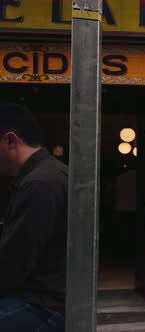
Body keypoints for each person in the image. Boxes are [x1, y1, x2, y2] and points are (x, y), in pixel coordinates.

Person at [0, 103, 67, 331]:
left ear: (10, 141)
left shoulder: (39, 183)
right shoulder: (47, 174)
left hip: (43, 304)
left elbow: (13, 264)